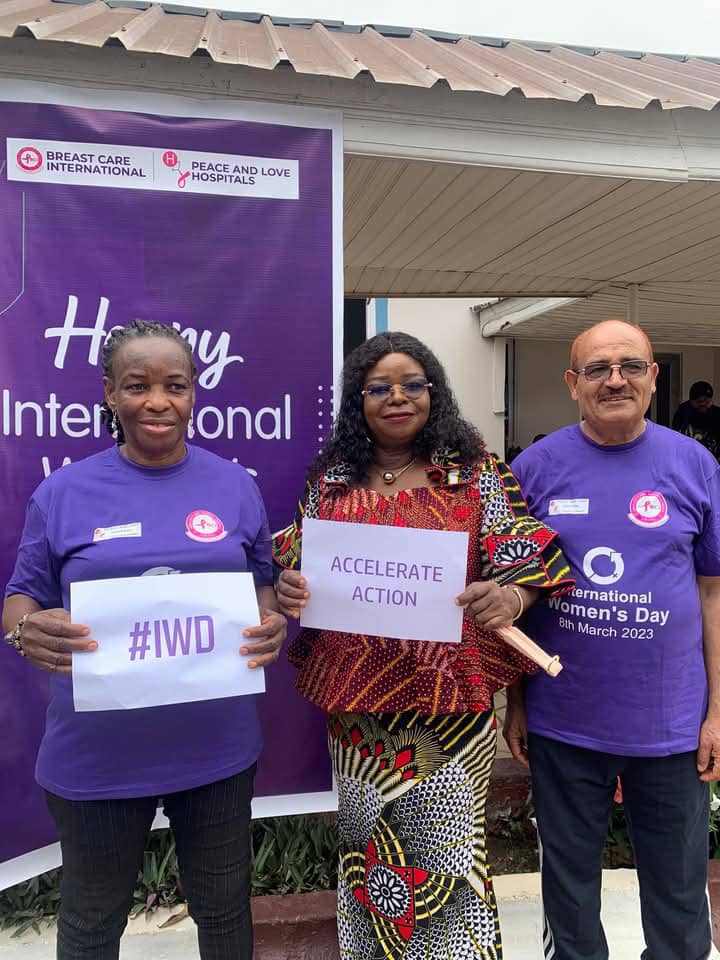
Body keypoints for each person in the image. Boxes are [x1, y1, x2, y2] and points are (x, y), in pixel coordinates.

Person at [272, 331, 573, 959]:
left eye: (412, 384)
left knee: (448, 857)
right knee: (366, 850)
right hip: (357, 709)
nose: (397, 397)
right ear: (358, 400)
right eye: (378, 387)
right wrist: (290, 584)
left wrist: (512, 597)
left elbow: (529, 559)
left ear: (433, 393)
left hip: (448, 707)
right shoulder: (332, 480)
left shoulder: (475, 473)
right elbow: (296, 560)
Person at [2, 319, 286, 960]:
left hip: (215, 748)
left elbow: (262, 582)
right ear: (110, 393)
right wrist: (23, 631)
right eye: (138, 386)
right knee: (92, 921)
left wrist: (270, 622)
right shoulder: (62, 493)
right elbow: (21, 596)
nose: (158, 401)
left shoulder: (235, 486)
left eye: (174, 386)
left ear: (193, 394)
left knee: (224, 912)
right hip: (98, 753)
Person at [507, 319, 720, 960]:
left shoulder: (696, 466)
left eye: (630, 366)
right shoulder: (533, 470)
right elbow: (512, 594)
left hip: (673, 725)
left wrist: (717, 711)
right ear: (572, 383)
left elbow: (713, 593)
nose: (615, 380)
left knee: (679, 898)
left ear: (653, 377)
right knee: (569, 897)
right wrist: (517, 702)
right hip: (564, 722)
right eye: (597, 369)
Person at [671, 380, 720, 459]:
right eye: (699, 401)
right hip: (688, 459)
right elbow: (676, 438)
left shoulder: (716, 414)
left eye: (707, 401)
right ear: (691, 401)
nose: (703, 404)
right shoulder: (683, 412)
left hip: (712, 461)